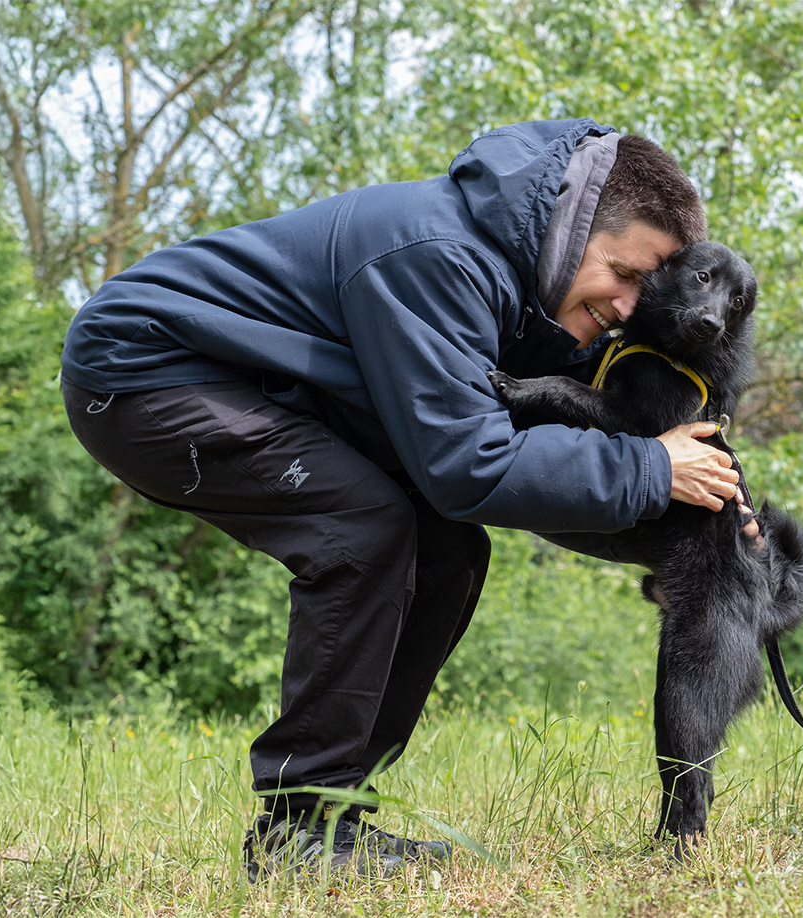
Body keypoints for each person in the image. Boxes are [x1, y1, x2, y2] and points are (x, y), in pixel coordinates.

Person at [60, 119, 750, 876]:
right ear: (577, 222)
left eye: (645, 290)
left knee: (449, 550)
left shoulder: (523, 295)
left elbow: (520, 471)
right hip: (141, 373)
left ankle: (330, 818)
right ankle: (300, 832)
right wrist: (649, 471)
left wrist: (694, 518)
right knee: (365, 525)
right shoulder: (438, 254)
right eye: (622, 275)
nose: (628, 305)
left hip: (267, 391)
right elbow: (472, 467)